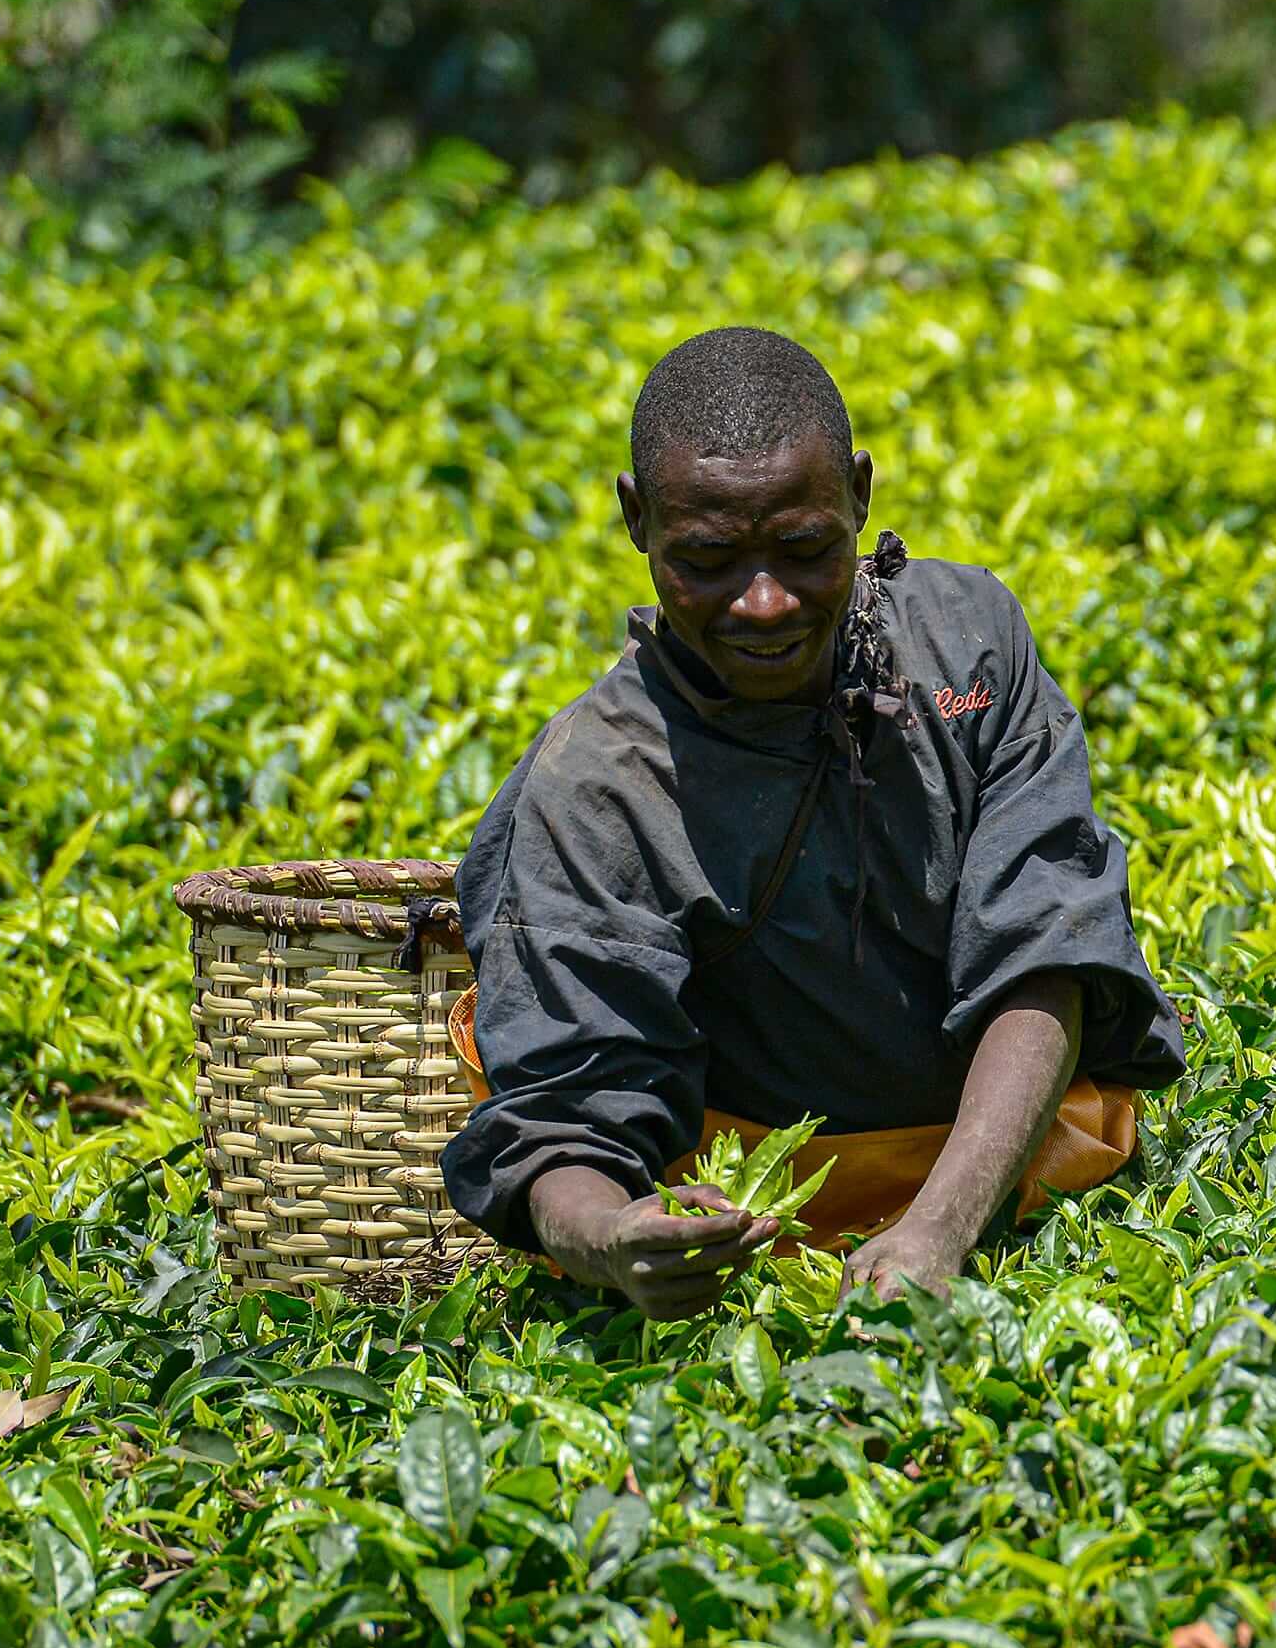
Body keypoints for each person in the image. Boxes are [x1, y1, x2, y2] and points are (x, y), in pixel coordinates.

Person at [438, 327, 1186, 1316]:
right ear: (636, 519)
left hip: (1023, 1170)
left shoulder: (967, 644)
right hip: (758, 1219)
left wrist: (940, 1225)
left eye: (805, 548)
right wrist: (616, 1238)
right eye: (706, 559)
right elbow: (561, 1111)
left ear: (860, 496)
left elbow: (1049, 951)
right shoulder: (599, 781)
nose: (762, 601)